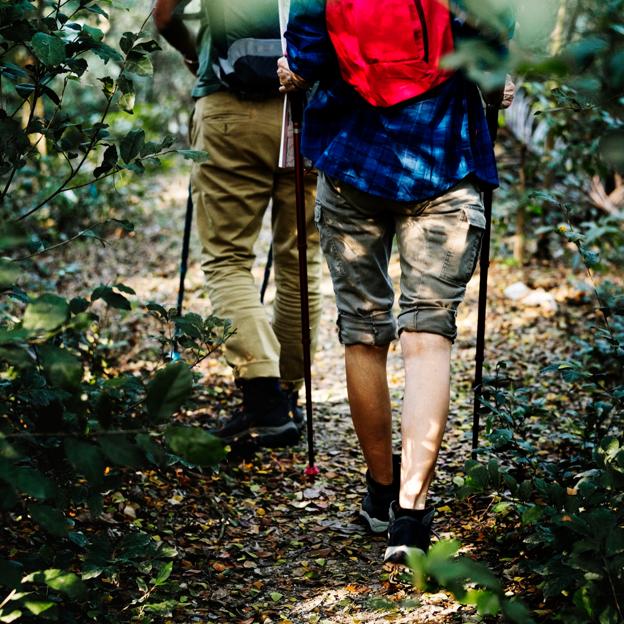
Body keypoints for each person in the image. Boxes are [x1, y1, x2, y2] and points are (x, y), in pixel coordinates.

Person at [279, 0, 514, 562]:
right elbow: (493, 42)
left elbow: (305, 57)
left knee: (363, 331)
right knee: (427, 337)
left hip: (352, 160)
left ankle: (380, 493)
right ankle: (411, 518)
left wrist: (293, 72)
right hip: (446, 159)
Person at [153, 0, 322, 448]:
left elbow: (165, 14)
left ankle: (264, 401)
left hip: (230, 106)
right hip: (308, 109)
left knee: (227, 258)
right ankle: (286, 396)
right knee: (300, 257)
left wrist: (195, 56)